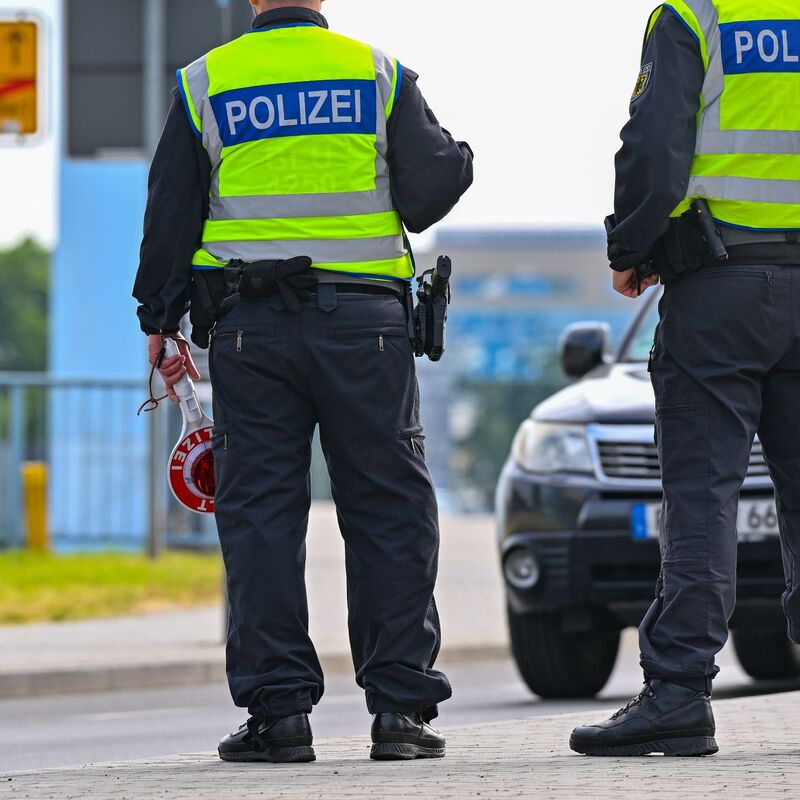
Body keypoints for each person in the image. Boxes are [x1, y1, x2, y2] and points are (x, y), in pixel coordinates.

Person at [132, 0, 473, 764]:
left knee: (259, 516)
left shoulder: (204, 84)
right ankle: (401, 713)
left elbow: (170, 215)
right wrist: (460, 156)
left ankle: (279, 715)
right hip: (366, 331)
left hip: (251, 332)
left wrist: (160, 319)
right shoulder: (377, 73)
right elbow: (428, 192)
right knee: (388, 508)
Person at [570, 0, 800, 757]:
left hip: (721, 285)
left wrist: (631, 246)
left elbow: (654, 144)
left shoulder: (695, 16)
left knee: (702, 497)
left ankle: (677, 695)